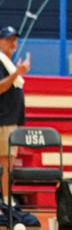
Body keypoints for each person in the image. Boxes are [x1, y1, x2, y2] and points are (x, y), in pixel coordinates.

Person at [0, 25, 31, 198]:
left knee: (8, 162)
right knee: (5, 163)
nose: (13, 43)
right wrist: (16, 74)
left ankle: (5, 199)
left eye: (15, 39)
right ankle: (5, 200)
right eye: (8, 39)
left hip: (10, 121)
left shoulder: (8, 63)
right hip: (3, 122)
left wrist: (17, 72)